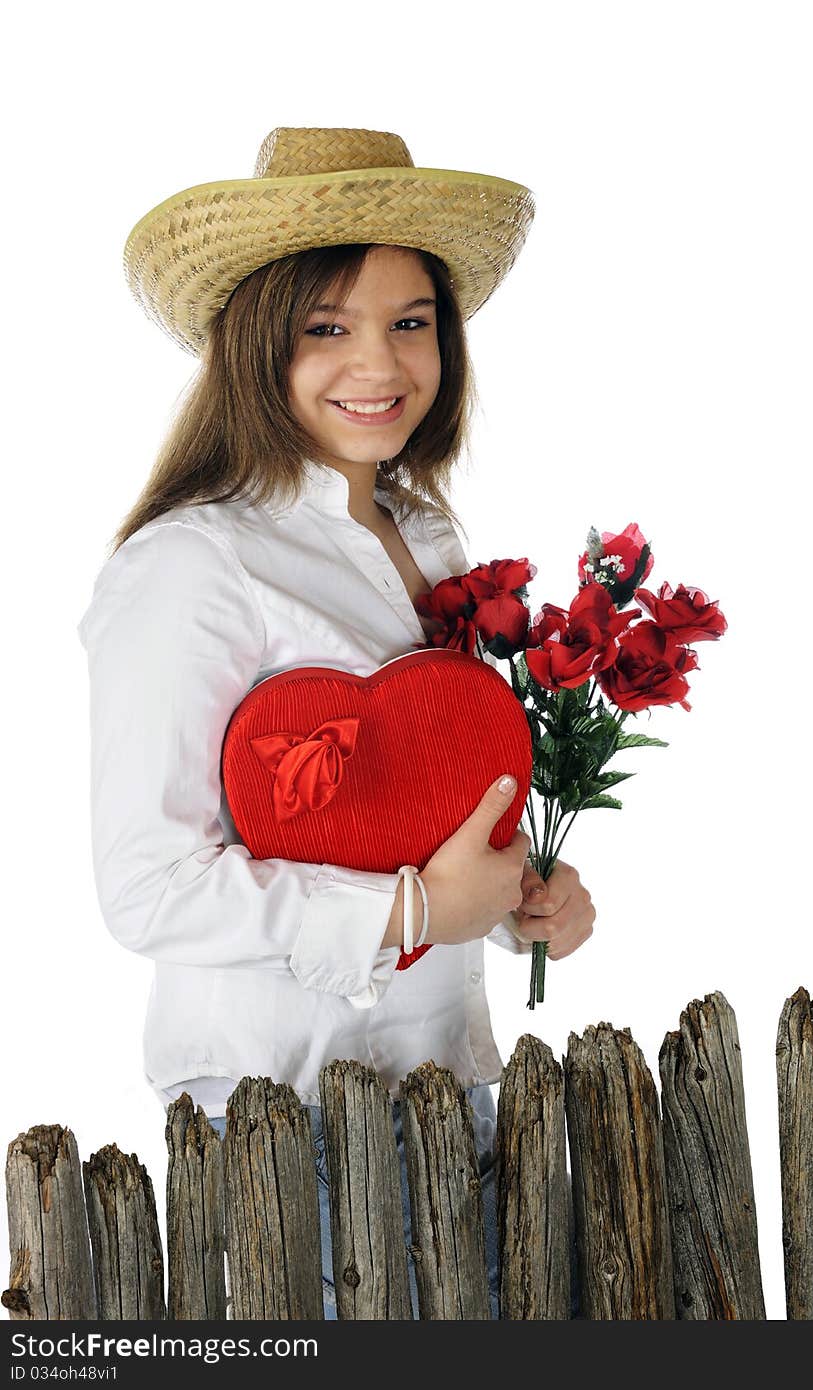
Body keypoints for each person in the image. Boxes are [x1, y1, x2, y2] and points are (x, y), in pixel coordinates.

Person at [77, 127, 596, 1320]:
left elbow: (445, 798)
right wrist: (412, 911)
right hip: (282, 1123)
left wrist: (530, 898)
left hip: (454, 1095)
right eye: (329, 325)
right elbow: (146, 884)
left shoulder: (434, 541)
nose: (379, 361)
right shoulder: (192, 565)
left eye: (410, 320)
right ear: (258, 339)